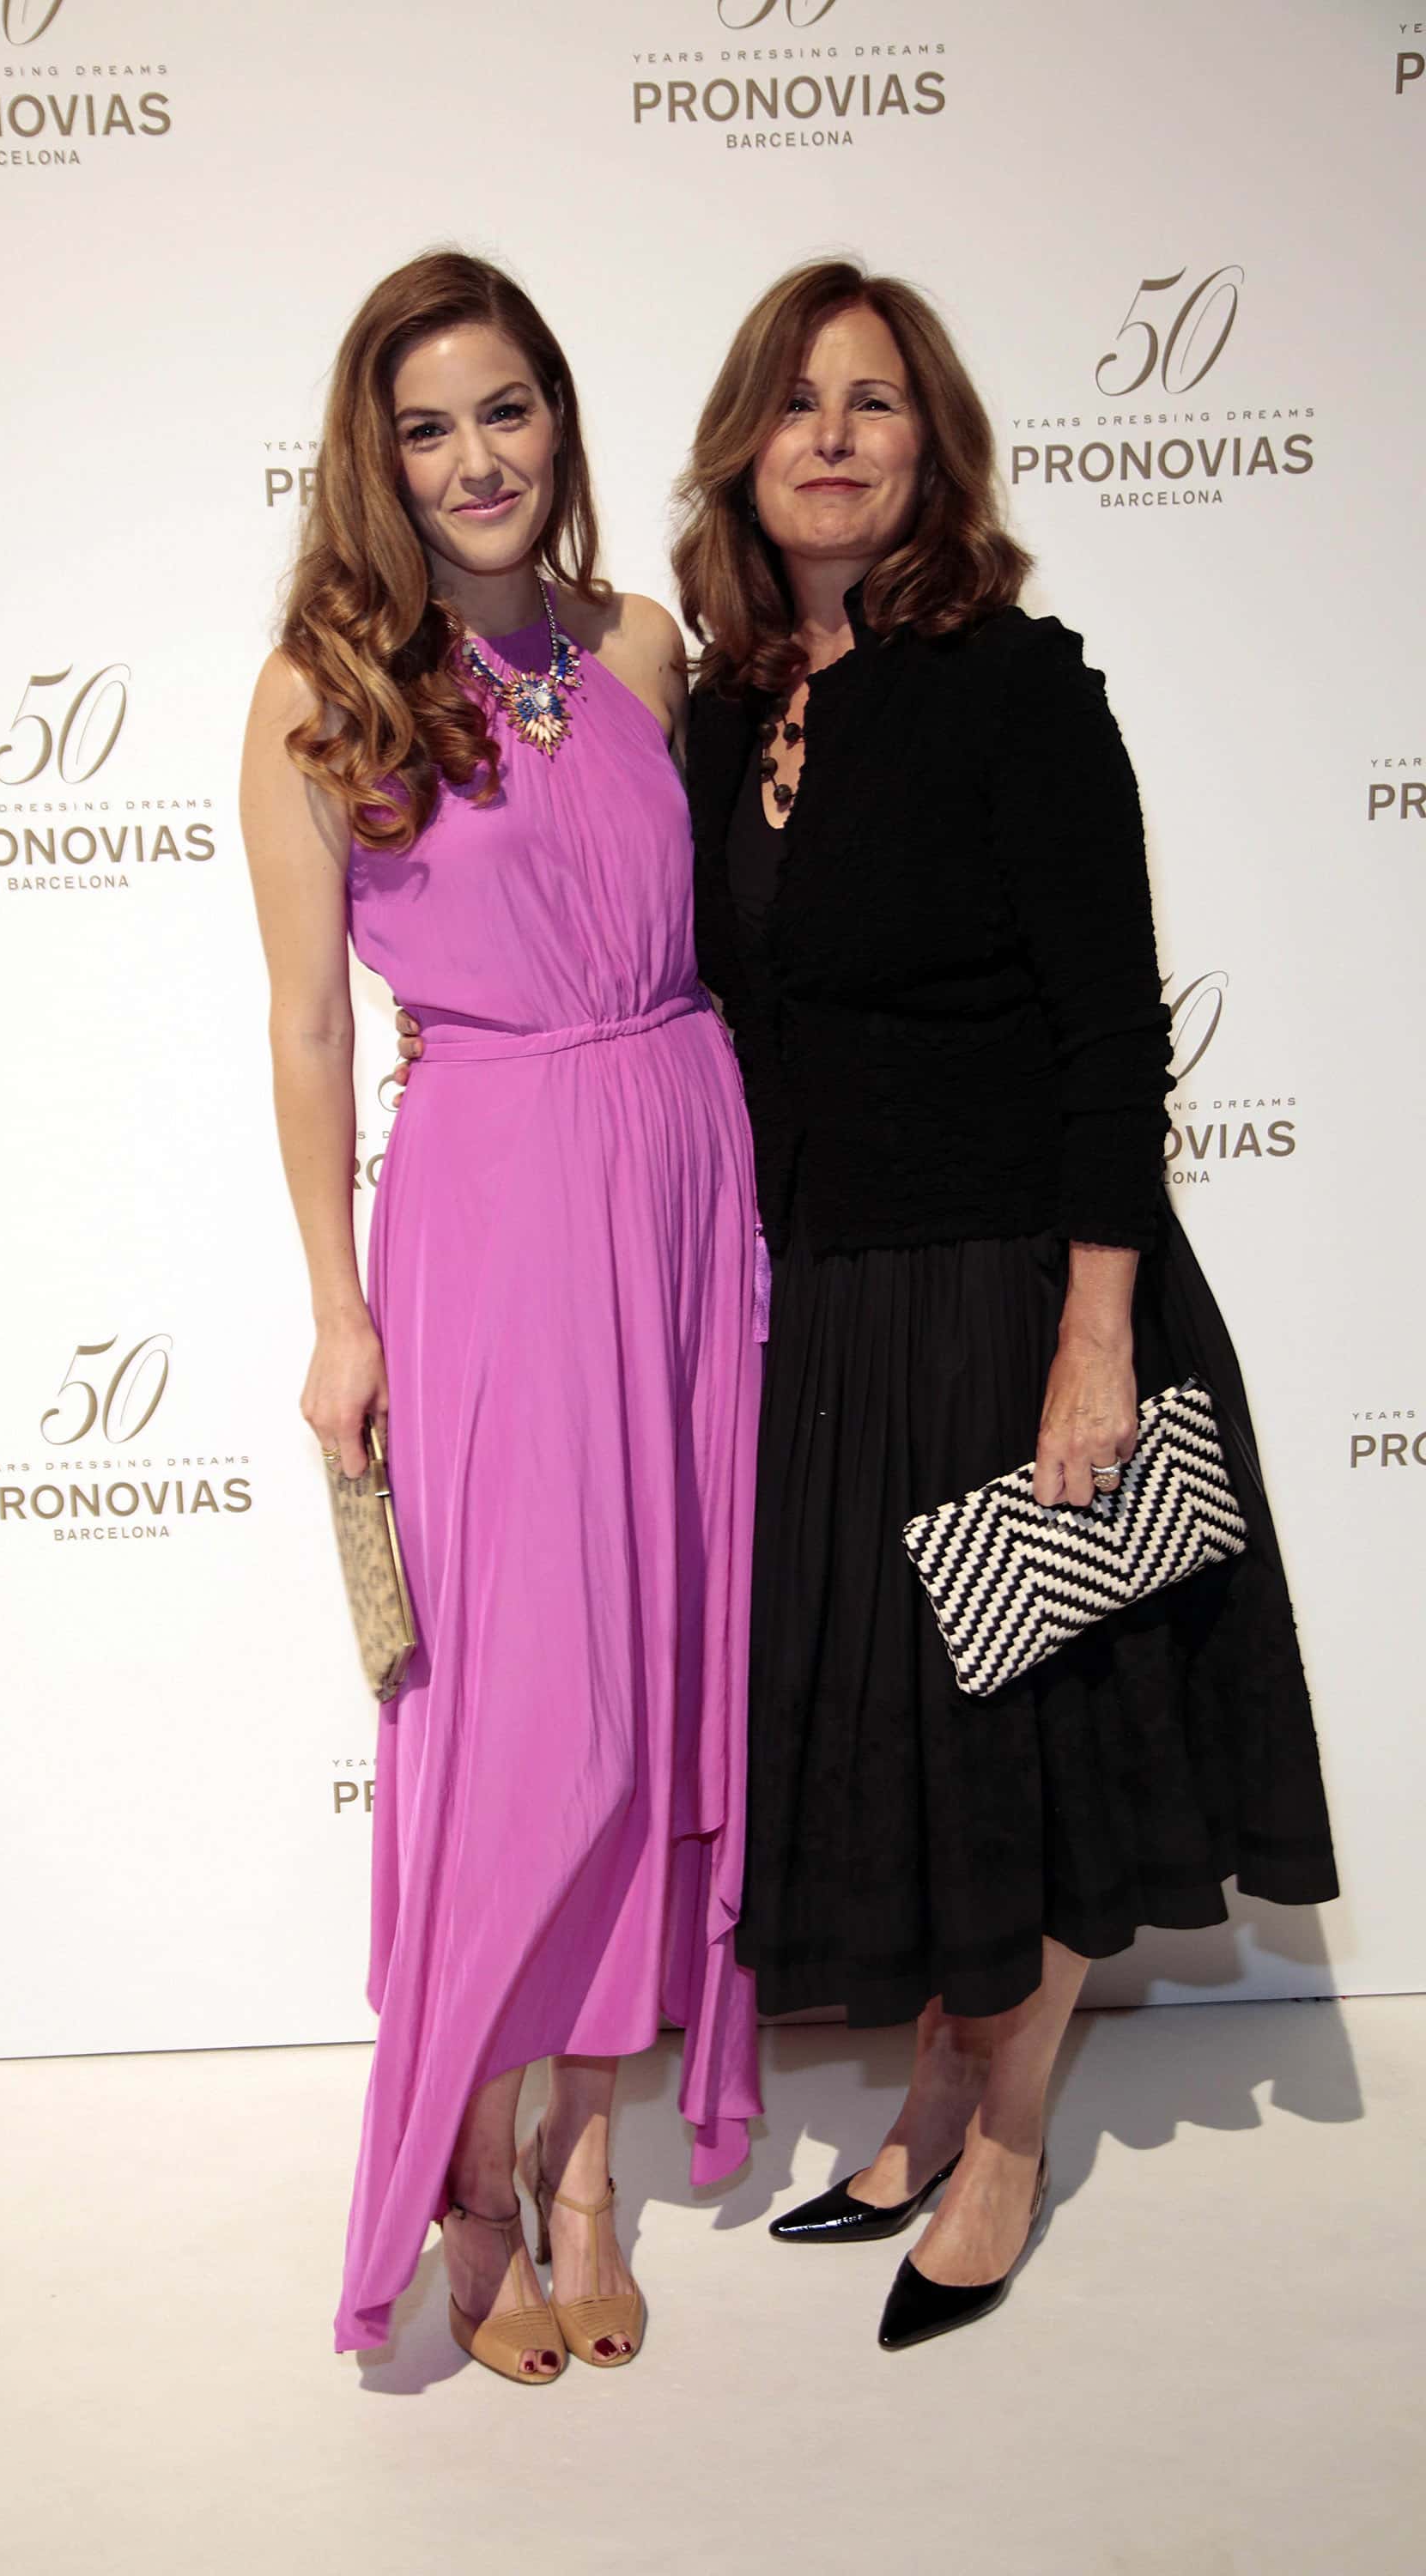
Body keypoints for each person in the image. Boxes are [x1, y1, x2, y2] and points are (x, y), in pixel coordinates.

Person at [670, 258, 1339, 2348]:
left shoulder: (1017, 685)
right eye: (800, 403)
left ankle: (1005, 2136)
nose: (838, 435)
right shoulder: (714, 711)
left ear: (930, 445)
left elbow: (1108, 1037)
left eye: (877, 402)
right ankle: (941, 2077)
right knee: (910, 1739)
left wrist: (1092, 1330)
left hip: (1013, 1290)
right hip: (829, 1312)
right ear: (746, 449)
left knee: (1023, 1742)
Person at [240, 251, 762, 2379]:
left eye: (505, 410)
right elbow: (296, 1028)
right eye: (425, 425)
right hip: (487, 1208)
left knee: (651, 1686)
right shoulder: (318, 693)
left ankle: (580, 2168)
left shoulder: (639, 642)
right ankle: (463, 2145)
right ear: (377, 458)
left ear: (558, 419)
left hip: (679, 1181)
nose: (473, 459)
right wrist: (333, 1312)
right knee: (514, 1714)